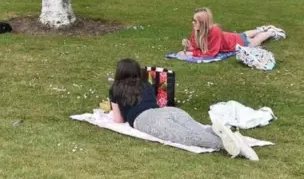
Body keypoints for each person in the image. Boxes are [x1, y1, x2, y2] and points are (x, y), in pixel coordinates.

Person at [109, 58, 258, 160]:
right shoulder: (145, 84)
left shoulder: (115, 89)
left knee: (188, 137)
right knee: (197, 129)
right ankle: (222, 133)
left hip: (147, 119)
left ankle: (232, 146)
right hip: (168, 111)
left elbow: (118, 120)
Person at [181, 7, 286, 57]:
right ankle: (262, 29)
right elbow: (197, 47)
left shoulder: (215, 31)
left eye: (195, 21)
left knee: (254, 41)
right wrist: (189, 46)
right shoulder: (197, 30)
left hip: (236, 43)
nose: (193, 23)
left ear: (203, 23)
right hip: (231, 37)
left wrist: (190, 53)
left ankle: (271, 32)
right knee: (243, 34)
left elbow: (211, 53)